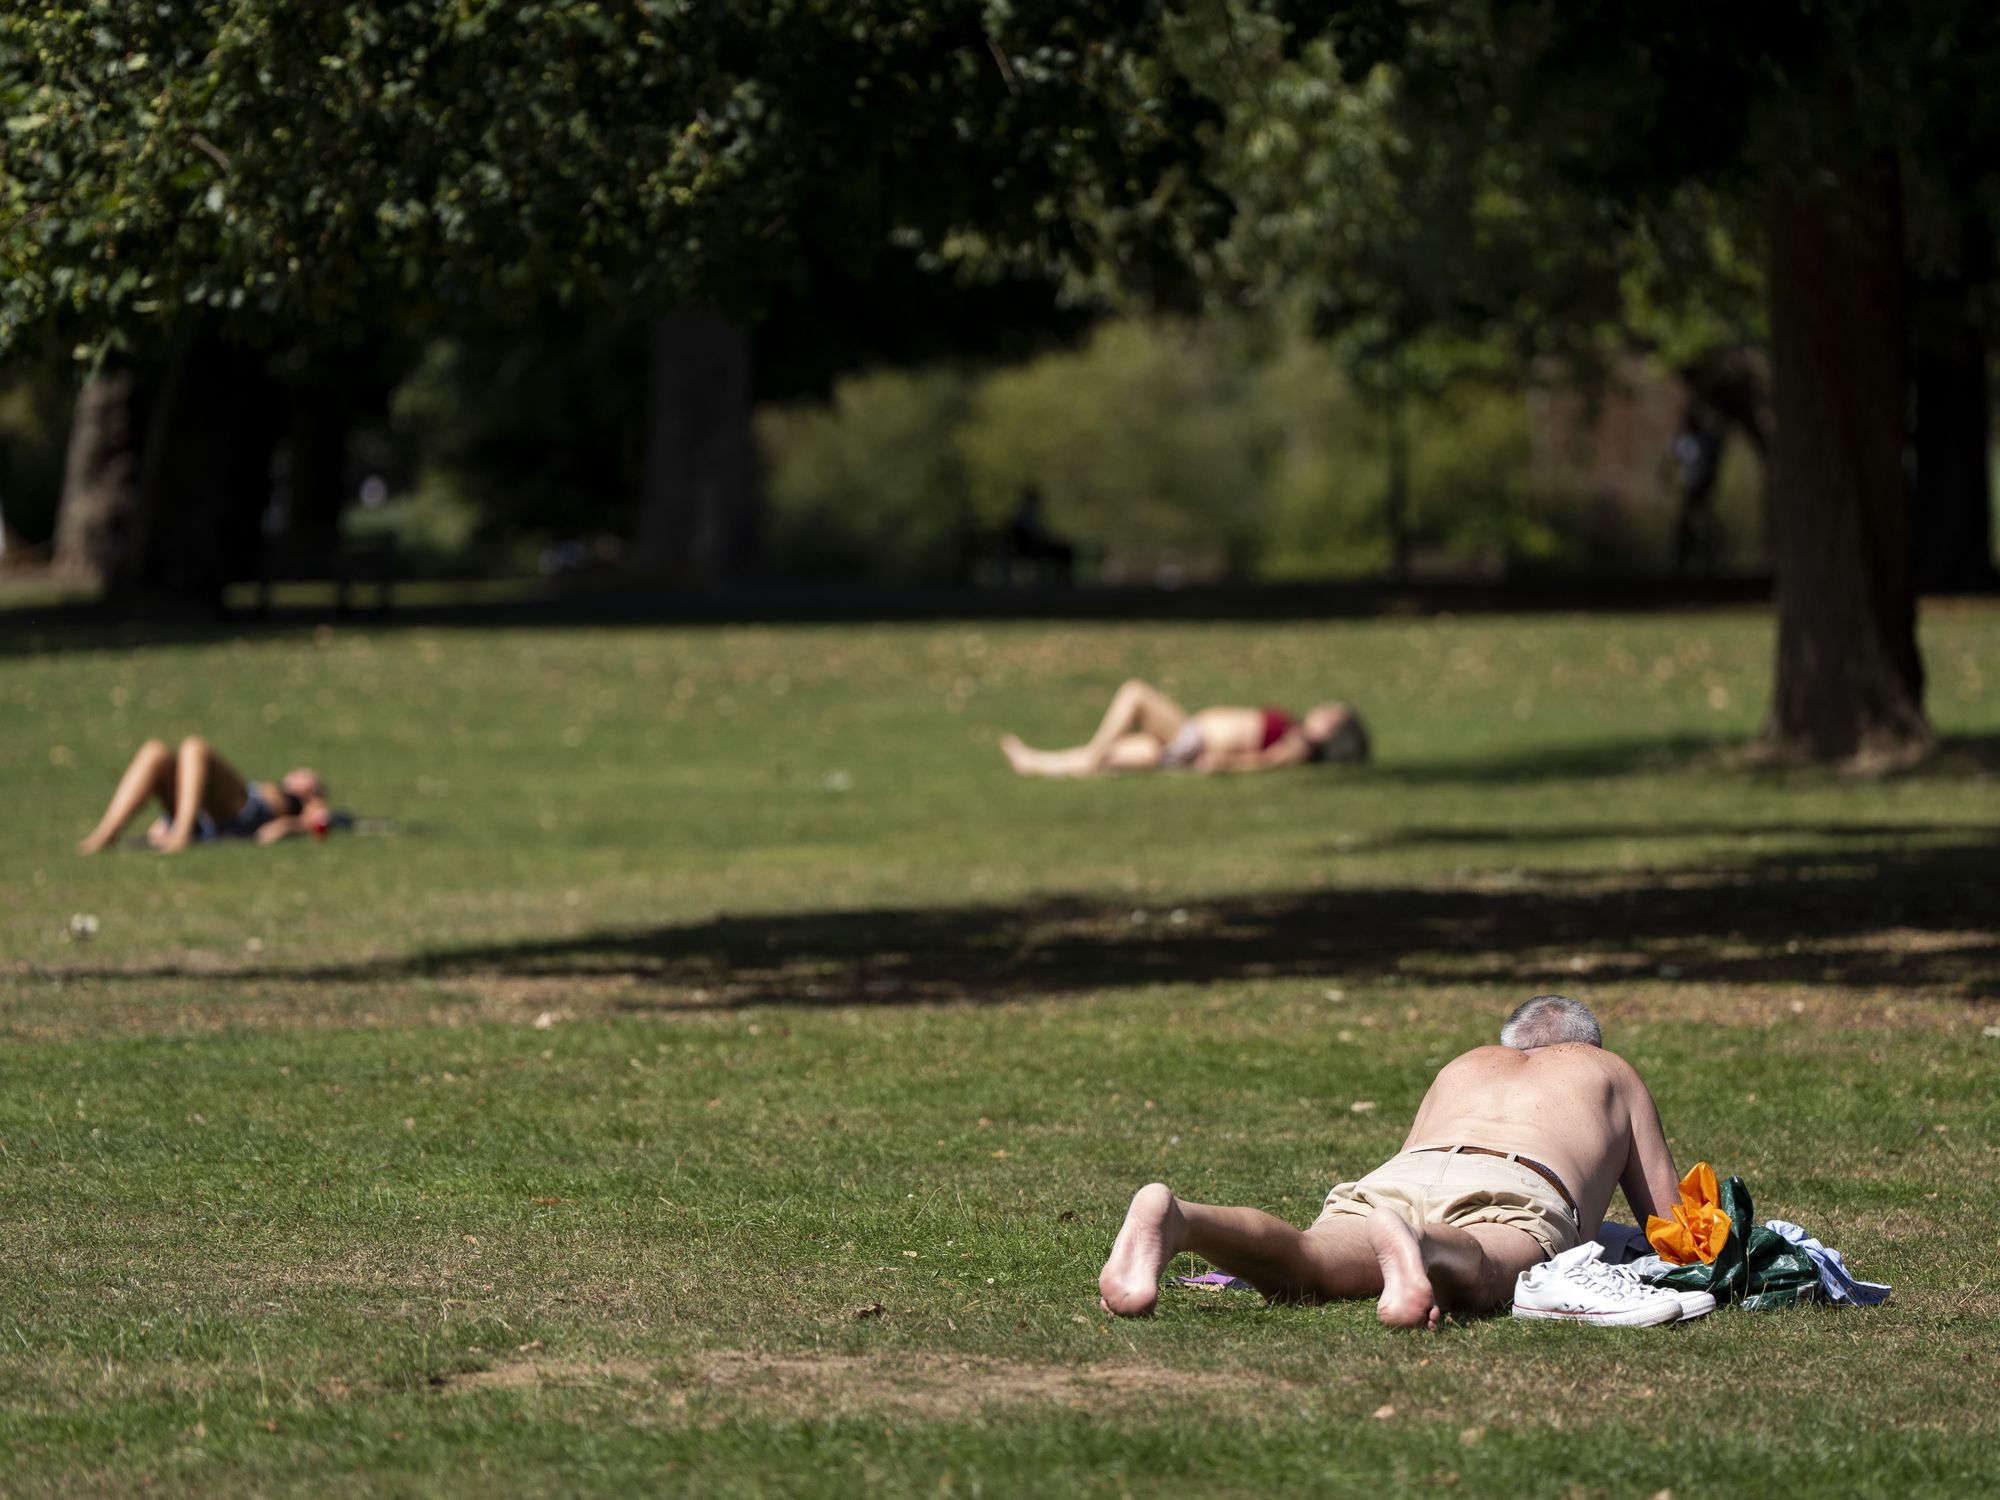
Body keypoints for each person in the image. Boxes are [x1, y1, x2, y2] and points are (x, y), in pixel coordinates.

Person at [1096, 995, 1683, 1329]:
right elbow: (1671, 1225)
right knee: (1482, 1269)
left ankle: (1182, 1218)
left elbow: (1414, 1150)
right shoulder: (1611, 1072)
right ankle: (1423, 1247)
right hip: (1518, 1184)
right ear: (1589, 1044)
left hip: (1401, 1177)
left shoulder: (1465, 1063)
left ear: (1509, 1045)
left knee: (1309, 1263)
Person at [1000, 679, 1368, 778]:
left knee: (1135, 693)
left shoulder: (1299, 744)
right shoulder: (1295, 731)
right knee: (1111, 757)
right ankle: (1033, 762)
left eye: (1330, 715)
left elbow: (1266, 761)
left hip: (1195, 742)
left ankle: (1089, 757)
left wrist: (1223, 764)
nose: (1320, 712)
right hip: (1189, 741)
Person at [76, 737, 335, 855]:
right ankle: (104, 835)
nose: (296, 775)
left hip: (244, 814)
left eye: (306, 777)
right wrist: (163, 825)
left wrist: (294, 823)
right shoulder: (276, 786)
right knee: (155, 751)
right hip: (204, 815)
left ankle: (182, 834)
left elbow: (316, 822)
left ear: (313, 789)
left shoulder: (309, 801)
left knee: (194, 748)